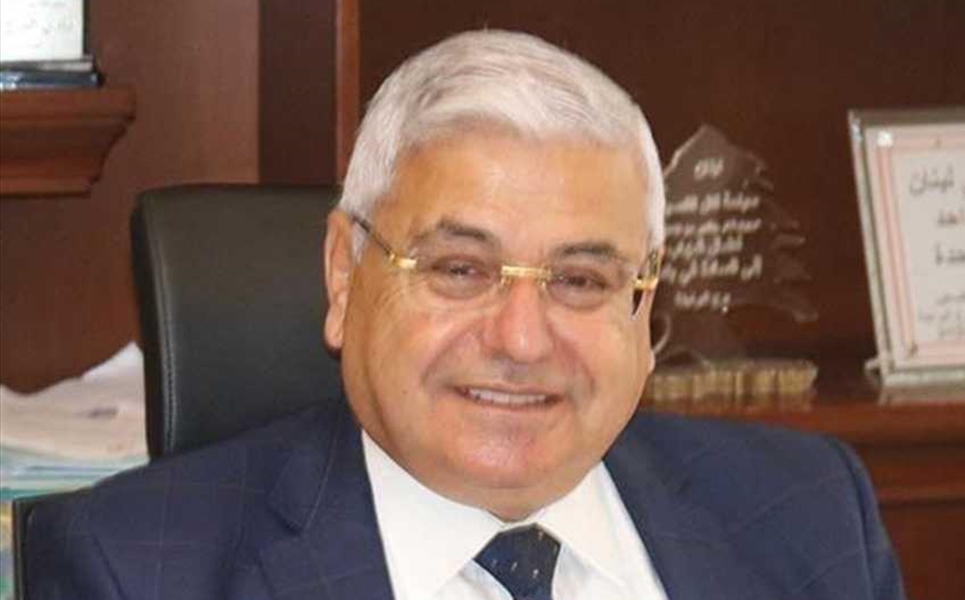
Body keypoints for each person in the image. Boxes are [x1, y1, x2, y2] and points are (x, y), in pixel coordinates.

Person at [25, 30, 905, 600]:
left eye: (581, 280)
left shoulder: (810, 515)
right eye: (459, 269)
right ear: (343, 276)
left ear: (646, 302)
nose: (520, 340)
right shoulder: (135, 570)